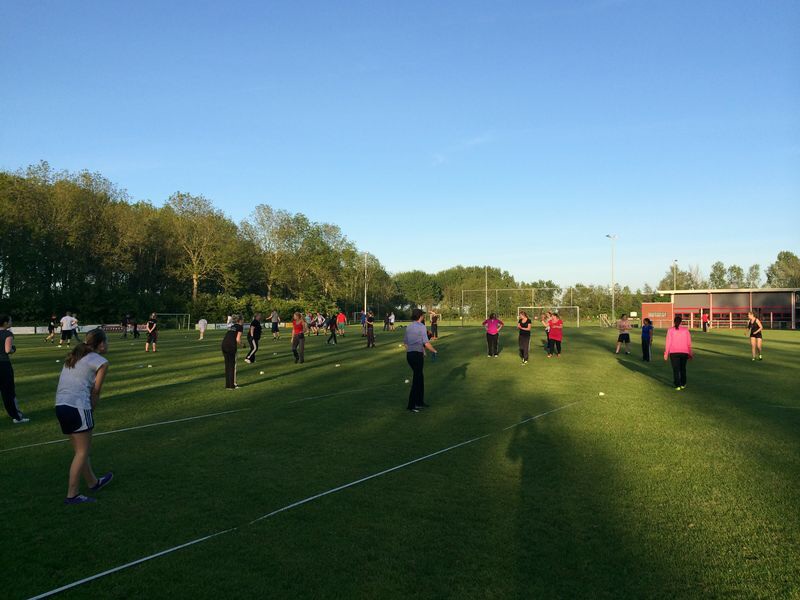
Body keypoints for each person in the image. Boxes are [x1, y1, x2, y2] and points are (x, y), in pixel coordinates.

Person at [55, 328, 113, 504]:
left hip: (61, 406)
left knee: (80, 451)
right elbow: (95, 392)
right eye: (106, 341)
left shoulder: (75, 356)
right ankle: (72, 495)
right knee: (82, 452)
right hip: (78, 407)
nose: (108, 344)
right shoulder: (101, 362)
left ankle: (93, 482)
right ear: (100, 344)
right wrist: (90, 410)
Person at [403, 308, 437, 413]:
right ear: (419, 316)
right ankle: (411, 405)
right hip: (417, 356)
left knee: (420, 378)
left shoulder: (409, 327)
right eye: (422, 315)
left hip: (410, 355)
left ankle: (419, 402)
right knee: (417, 380)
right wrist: (434, 350)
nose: (423, 316)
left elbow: (405, 343)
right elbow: (426, 342)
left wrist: (421, 351)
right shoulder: (422, 327)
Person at [1, 315, 29, 424]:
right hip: (3, 365)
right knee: (8, 392)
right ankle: (16, 417)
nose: (11, 322)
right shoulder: (7, 334)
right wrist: (14, 349)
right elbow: (8, 350)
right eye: (10, 321)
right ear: (5, 323)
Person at [664, 315, 693, 390]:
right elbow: (689, 342)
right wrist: (690, 353)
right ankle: (683, 383)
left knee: (676, 369)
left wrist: (666, 353)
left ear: (674, 322)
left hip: (674, 352)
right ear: (681, 322)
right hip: (684, 352)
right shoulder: (685, 330)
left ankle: (677, 385)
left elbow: (668, 342)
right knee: (683, 368)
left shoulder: (670, 330)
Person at [221, 315, 243, 389]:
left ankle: (228, 385)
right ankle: (232, 385)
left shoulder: (232, 326)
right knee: (232, 365)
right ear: (240, 320)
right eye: (243, 320)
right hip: (231, 346)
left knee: (227, 365)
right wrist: (243, 345)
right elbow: (238, 339)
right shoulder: (240, 327)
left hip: (224, 345)